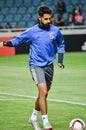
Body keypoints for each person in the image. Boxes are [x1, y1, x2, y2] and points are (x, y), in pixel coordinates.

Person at [0, 6, 65, 130]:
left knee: (43, 95)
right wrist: (4, 43)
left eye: (50, 18)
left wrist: (60, 60)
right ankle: (46, 122)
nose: (48, 21)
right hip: (35, 65)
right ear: (39, 18)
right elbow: (17, 41)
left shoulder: (55, 31)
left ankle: (33, 117)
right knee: (43, 92)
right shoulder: (31, 31)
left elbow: (61, 44)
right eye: (45, 19)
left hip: (49, 66)